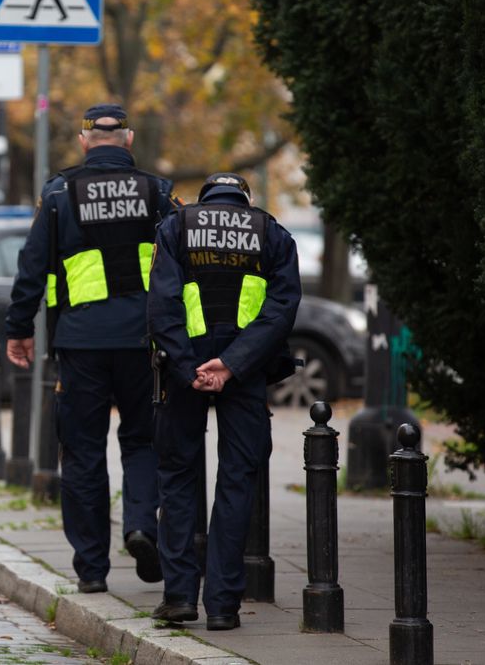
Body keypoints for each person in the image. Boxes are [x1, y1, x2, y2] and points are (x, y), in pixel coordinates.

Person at [5, 103, 180, 594]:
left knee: (82, 451)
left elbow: (31, 266)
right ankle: (142, 525)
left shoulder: (59, 195)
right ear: (128, 140)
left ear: (85, 142)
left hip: (81, 343)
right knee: (144, 440)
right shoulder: (157, 192)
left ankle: (91, 568)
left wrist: (19, 327)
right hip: (144, 342)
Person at [147, 173, 301, 630]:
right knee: (237, 482)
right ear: (246, 200)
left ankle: (178, 596)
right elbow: (280, 311)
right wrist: (232, 365)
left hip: (185, 373)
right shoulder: (272, 233)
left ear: (206, 200)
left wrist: (186, 366)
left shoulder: (176, 228)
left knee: (177, 478)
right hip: (245, 373)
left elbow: (162, 306)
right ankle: (222, 605)